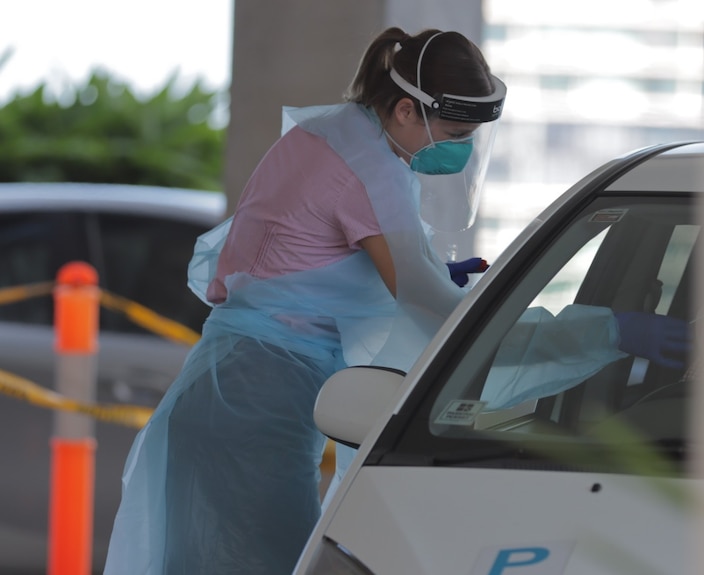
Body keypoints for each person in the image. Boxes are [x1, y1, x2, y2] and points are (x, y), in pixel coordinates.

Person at [103, 27, 507, 575]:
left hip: (232, 392)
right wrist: (577, 334)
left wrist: (433, 273)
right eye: (455, 132)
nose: (459, 150)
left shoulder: (338, 135)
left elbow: (311, 254)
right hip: (253, 408)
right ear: (407, 110)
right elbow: (424, 301)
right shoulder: (368, 167)